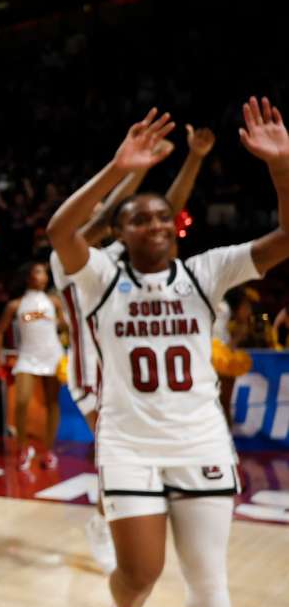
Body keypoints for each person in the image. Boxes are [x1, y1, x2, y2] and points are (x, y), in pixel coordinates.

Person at [46, 101, 289, 607]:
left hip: (197, 439)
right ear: (118, 231)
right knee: (141, 574)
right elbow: (64, 228)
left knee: (208, 577)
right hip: (125, 432)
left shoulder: (204, 272)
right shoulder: (96, 270)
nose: (156, 223)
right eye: (138, 219)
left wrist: (280, 167)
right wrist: (122, 168)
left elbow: (281, 236)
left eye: (164, 218)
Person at [49, 125, 214, 574]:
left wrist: (194, 158)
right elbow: (103, 221)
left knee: (141, 461)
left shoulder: (127, 255)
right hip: (93, 378)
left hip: (131, 375)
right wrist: (135, 169)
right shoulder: (68, 257)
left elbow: (170, 211)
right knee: (117, 455)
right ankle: (106, 525)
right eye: (101, 214)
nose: (105, 217)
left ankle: (119, 521)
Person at [0, 262, 67, 471]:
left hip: (52, 355)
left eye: (44, 272)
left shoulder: (55, 301)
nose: (43, 275)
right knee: (22, 401)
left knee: (52, 403)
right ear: (28, 277)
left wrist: (66, 326)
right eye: (38, 271)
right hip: (27, 355)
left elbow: (63, 326)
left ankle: (49, 450)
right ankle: (23, 448)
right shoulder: (16, 305)